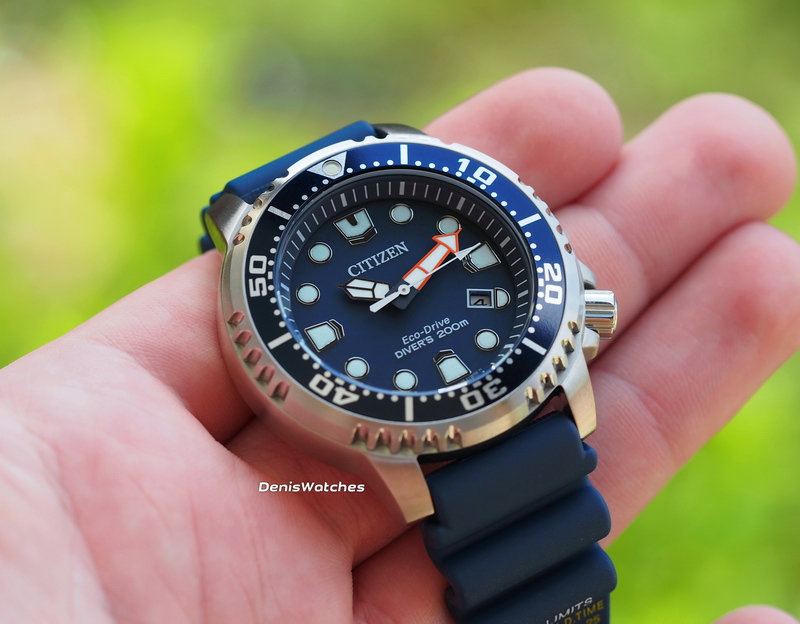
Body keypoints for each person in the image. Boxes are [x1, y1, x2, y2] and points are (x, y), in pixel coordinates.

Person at [0, 68, 798, 624]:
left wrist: (421, 277)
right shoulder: (262, 267)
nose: (399, 297)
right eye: (381, 299)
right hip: (428, 449)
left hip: (538, 396)